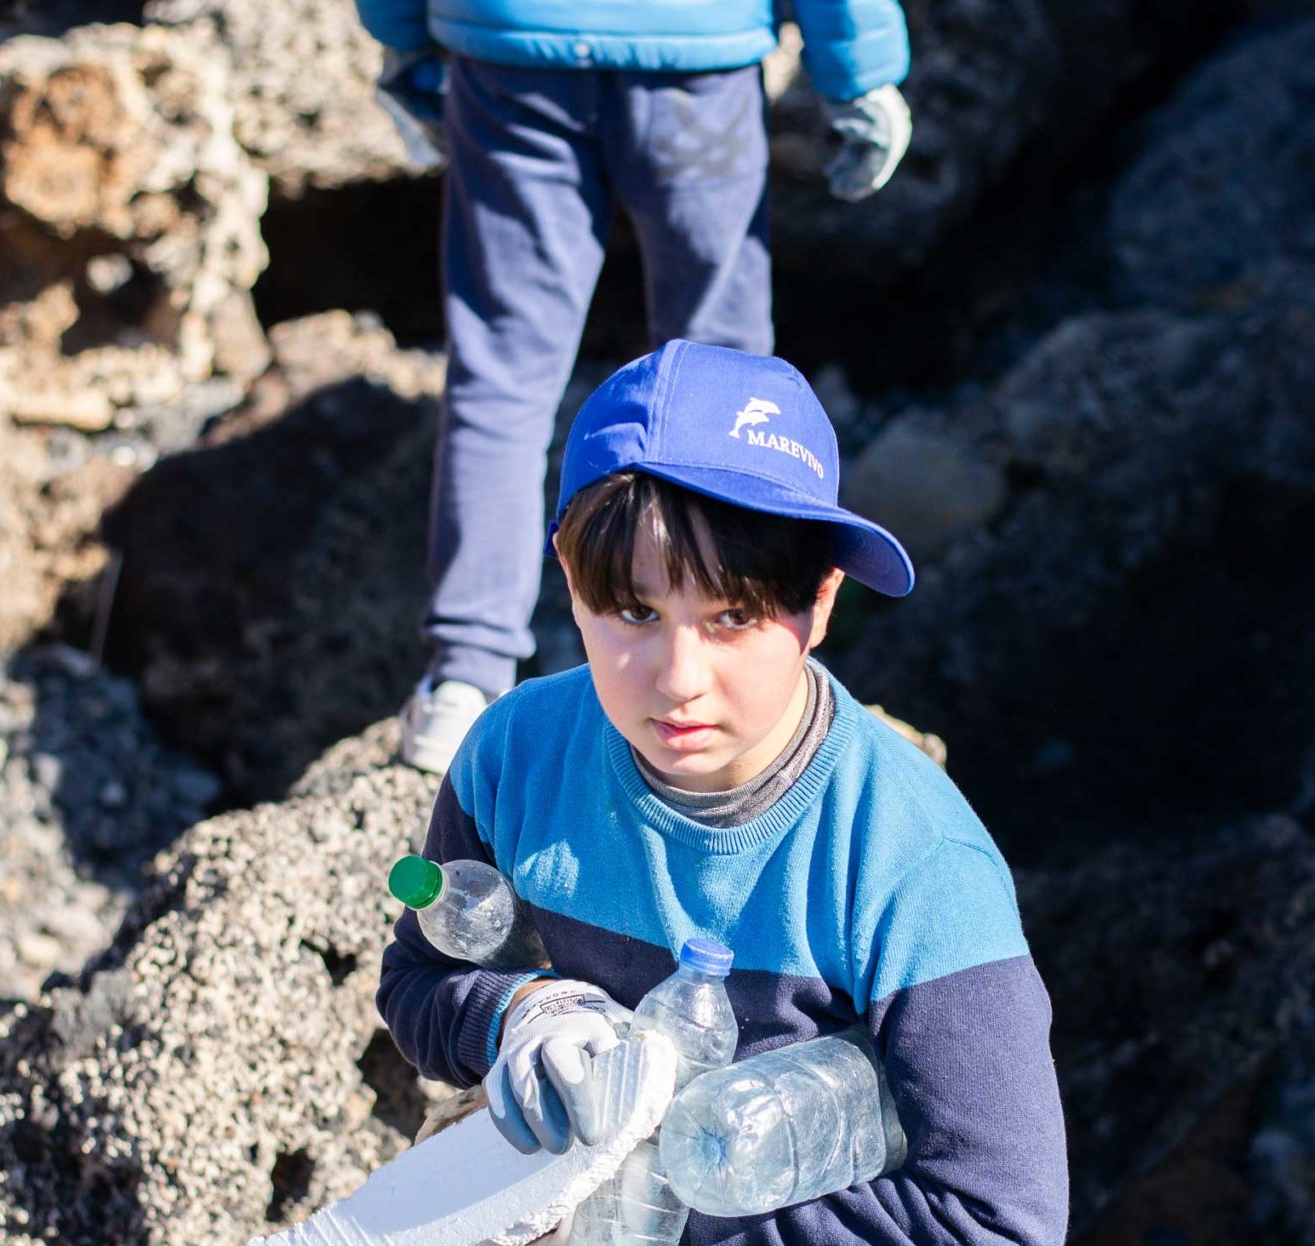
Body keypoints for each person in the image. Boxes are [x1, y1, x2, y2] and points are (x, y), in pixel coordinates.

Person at [377, 339, 1068, 1246]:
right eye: (627, 609)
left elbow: (1004, 1219)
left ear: (819, 599)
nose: (674, 676)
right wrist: (523, 1010)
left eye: (733, 616)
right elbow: (419, 982)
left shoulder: (910, 866)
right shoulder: (518, 757)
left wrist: (677, 1207)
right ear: (566, 583)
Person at [354, 0, 918, 772]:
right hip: (697, 51)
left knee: (500, 375)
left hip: (512, 45)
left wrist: (404, 35)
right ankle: (739, 652)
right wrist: (860, 72)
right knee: (730, 386)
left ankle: (465, 679)